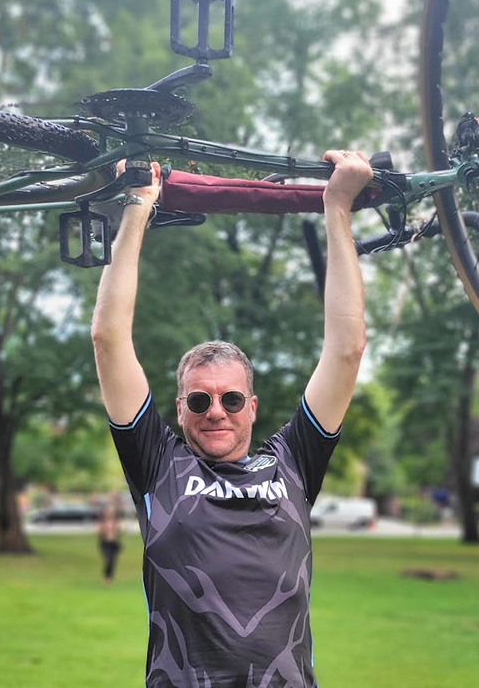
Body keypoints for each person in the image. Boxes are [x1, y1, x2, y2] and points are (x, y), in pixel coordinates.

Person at [91, 150, 372, 687]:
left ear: (252, 406)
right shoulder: (157, 465)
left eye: (231, 399)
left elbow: (346, 349)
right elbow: (108, 338)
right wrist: (136, 207)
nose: (215, 411)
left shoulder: (293, 463)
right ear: (180, 409)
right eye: (199, 401)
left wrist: (337, 206)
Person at [97, 499, 122, 586]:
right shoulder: (103, 522)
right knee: (108, 560)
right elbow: (99, 531)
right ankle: (106, 577)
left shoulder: (115, 522)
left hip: (113, 543)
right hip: (105, 543)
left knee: (113, 561)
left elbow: (118, 532)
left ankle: (109, 577)